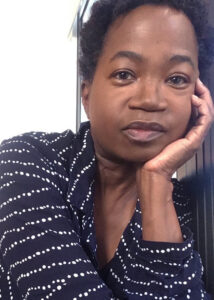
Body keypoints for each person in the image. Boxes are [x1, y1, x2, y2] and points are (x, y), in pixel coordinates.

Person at [0, 0, 214, 299]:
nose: (150, 100)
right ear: (86, 94)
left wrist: (155, 182)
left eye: (176, 79)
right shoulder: (25, 161)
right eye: (125, 74)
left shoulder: (182, 210)